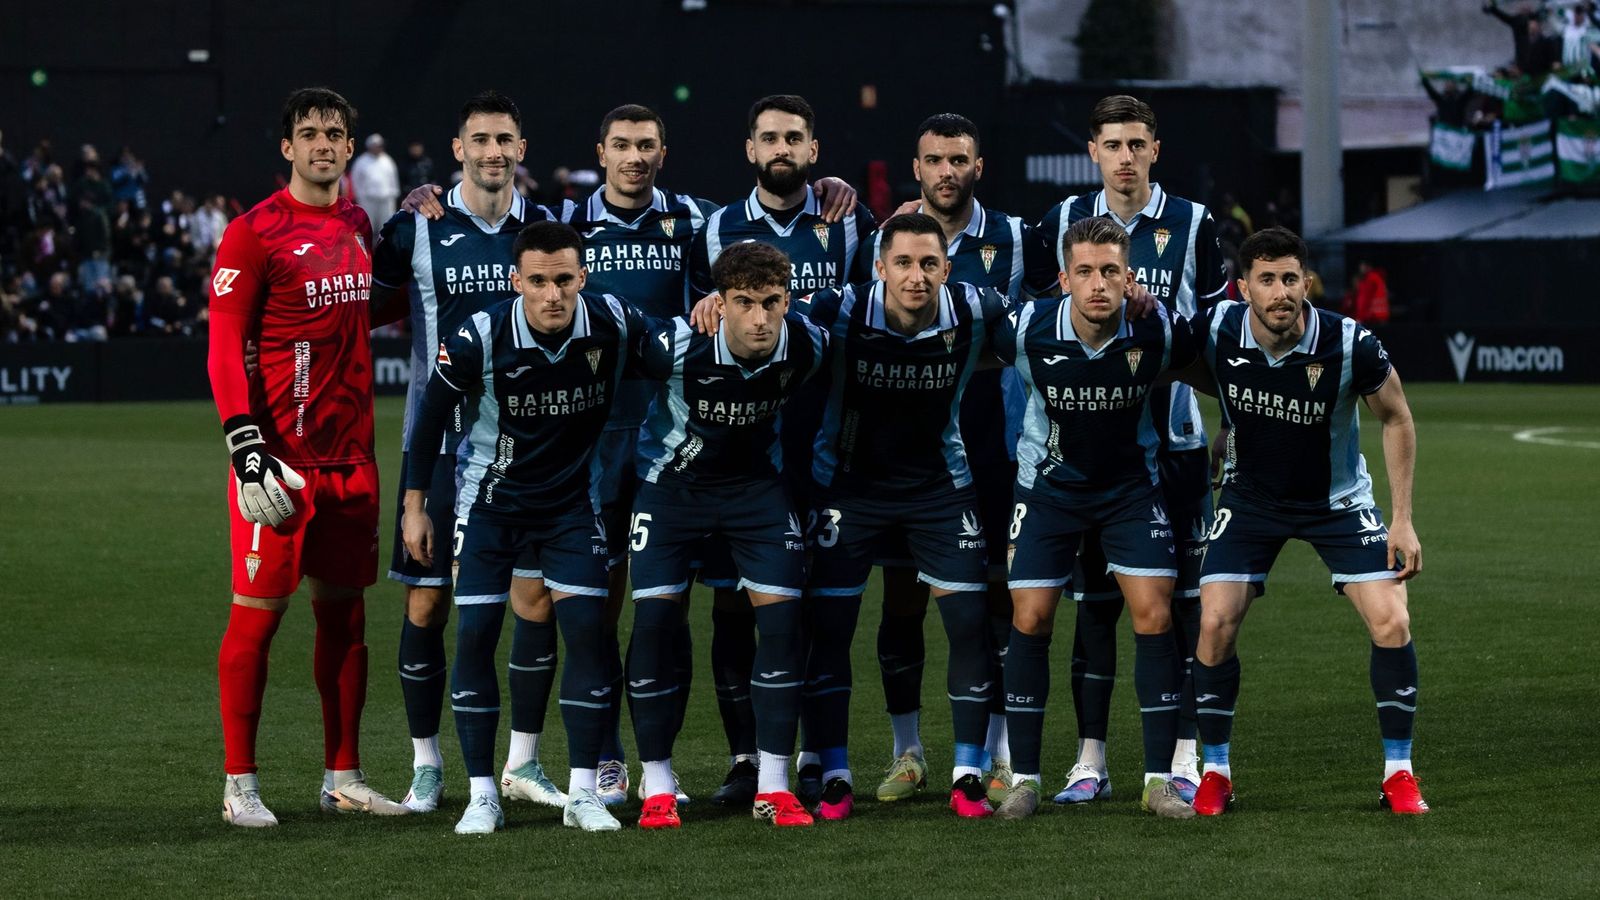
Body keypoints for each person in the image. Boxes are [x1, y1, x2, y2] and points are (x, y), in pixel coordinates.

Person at [402, 220, 652, 834]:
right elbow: (430, 415)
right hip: (489, 508)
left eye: (564, 279)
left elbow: (675, 352)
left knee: (588, 633)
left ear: (582, 278)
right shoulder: (479, 337)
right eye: (537, 281)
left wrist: (710, 310)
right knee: (477, 633)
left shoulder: (614, 322)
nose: (552, 294)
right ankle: (482, 793)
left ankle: (584, 792)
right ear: (516, 281)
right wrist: (414, 506)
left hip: (571, 508)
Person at [206, 86, 406, 827]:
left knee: (345, 622)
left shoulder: (359, 223)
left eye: (336, 133)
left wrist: (419, 225)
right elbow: (224, 344)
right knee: (256, 618)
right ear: (287, 147)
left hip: (353, 460)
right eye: (310, 133)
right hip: (279, 463)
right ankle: (240, 785)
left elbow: (372, 302)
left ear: (351, 148)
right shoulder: (253, 233)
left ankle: (343, 776)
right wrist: (243, 442)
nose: (324, 143)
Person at [1180, 226, 1427, 816]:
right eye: (1266, 280)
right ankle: (1215, 771)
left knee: (1392, 618)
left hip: (1337, 503)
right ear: (1243, 289)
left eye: (1290, 278)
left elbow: (1397, 417)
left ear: (1306, 282)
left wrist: (1403, 520)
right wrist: (1226, 423)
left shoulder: (1348, 343)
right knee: (1214, 622)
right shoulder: (1216, 329)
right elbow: (1170, 366)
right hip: (1249, 501)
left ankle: (1399, 773)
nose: (1281, 291)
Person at [369, 90, 564, 815]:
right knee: (426, 602)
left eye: (504, 139)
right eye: (479, 139)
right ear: (458, 149)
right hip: (442, 452)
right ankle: (426, 767)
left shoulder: (547, 232)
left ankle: (522, 763)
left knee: (532, 602)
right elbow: (365, 307)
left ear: (521, 148)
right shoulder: (414, 228)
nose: (492, 152)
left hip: (525, 452)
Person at [1036, 94, 1229, 805]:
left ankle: (1182, 752)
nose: (1124, 157)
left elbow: (1214, 334)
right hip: (1090, 442)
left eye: (1136, 144)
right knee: (1095, 606)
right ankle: (1090, 760)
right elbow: (1036, 320)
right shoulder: (1061, 224)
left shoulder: (1194, 224)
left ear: (1155, 150)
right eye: (1112, 144)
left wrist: (1227, 422)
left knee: (1179, 604)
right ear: (1093, 151)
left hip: (1174, 442)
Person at [788, 212, 1012, 820]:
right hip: (848, 489)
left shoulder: (975, 309)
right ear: (879, 266)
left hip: (940, 489)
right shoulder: (837, 310)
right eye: (904, 264)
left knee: (968, 624)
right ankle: (834, 771)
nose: (917, 277)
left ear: (947, 268)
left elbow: (1040, 332)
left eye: (930, 264)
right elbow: (764, 323)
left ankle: (968, 772)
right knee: (830, 630)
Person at [864, 114, 1057, 808]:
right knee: (903, 598)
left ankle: (998, 754)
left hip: (995, 439)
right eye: (935, 160)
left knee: (995, 597)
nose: (948, 171)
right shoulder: (882, 240)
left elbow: (1042, 325)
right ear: (915, 168)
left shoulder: (1015, 237)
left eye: (961, 160)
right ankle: (907, 751)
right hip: (909, 448)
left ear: (981, 167)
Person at [690, 94, 876, 805]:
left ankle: (817, 756)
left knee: (816, 609)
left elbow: (861, 311)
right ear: (749, 149)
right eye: (768, 136)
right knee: (735, 607)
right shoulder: (713, 229)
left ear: (813, 149)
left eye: (793, 137)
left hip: (826, 444)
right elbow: (695, 323)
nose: (781, 148)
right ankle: (747, 758)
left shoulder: (847, 221)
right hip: (740, 451)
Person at [989, 216, 1199, 821]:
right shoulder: (1027, 329)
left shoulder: (1155, 332)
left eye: (1110, 271)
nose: (1098, 283)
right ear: (1064, 279)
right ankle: (1024, 779)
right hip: (1050, 489)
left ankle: (1159, 781)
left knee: (1155, 615)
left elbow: (1219, 360)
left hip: (1131, 490)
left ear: (1129, 276)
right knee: (1029, 618)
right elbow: (958, 332)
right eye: (1085, 271)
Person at [625, 240, 830, 829]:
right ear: (719, 301)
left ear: (788, 300)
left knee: (783, 625)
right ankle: (659, 783)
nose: (759, 318)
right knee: (657, 628)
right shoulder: (674, 346)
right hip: (671, 493)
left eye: (771, 302)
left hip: (755, 492)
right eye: (743, 302)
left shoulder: (808, 343)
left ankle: (773, 784)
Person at [352, 133, 400, 231]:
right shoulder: (361, 161)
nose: (378, 148)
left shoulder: (387, 160)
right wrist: (360, 196)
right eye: (375, 146)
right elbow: (355, 179)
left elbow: (393, 179)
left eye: (379, 146)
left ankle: (385, 246)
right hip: (368, 200)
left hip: (386, 200)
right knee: (368, 226)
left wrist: (393, 194)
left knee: (386, 226)